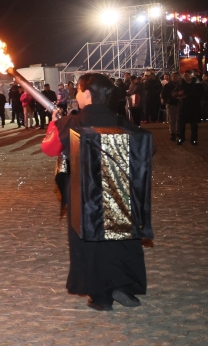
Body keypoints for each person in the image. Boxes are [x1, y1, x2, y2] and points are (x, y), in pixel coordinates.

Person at [40, 74, 146, 312]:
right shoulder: (121, 121)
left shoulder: (72, 122)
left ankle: (101, 296)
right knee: (120, 241)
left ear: (87, 94)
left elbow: (49, 148)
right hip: (118, 193)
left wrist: (54, 123)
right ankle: (122, 285)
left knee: (90, 244)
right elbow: (148, 148)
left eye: (77, 91)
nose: (76, 95)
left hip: (85, 197)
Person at [175, 70, 205, 145]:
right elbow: (173, 93)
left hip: (193, 107)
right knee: (181, 124)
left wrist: (188, 95)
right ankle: (181, 138)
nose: (185, 77)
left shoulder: (197, 85)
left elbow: (200, 94)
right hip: (183, 107)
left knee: (194, 124)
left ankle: (194, 140)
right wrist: (178, 93)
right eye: (184, 75)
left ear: (191, 76)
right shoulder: (181, 84)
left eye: (187, 75)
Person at [162, 72, 180, 140]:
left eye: (176, 76)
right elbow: (164, 94)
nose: (174, 78)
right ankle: (173, 133)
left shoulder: (181, 85)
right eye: (173, 76)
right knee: (172, 119)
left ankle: (178, 132)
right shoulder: (168, 86)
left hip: (180, 104)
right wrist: (168, 100)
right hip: (171, 104)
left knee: (179, 119)